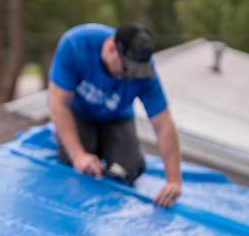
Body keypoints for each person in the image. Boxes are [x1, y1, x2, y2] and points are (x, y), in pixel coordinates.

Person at [48, 22, 182, 207]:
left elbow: (163, 125)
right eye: (127, 69)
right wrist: (78, 155)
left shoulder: (144, 71)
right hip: (78, 113)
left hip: (117, 117)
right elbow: (59, 103)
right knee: (77, 163)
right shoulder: (76, 44)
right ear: (111, 50)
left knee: (129, 169)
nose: (132, 76)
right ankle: (90, 146)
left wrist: (173, 180)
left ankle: (105, 146)